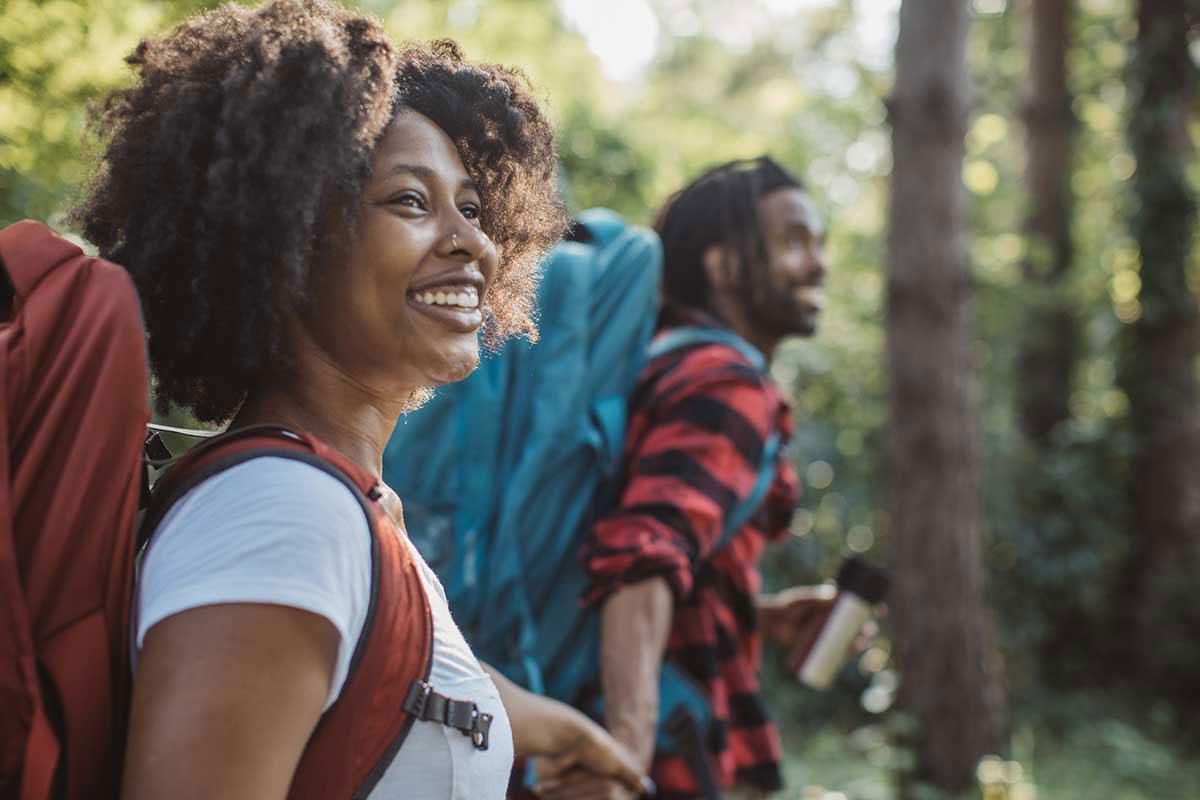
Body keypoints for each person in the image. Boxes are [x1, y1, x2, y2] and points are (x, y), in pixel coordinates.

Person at [68, 2, 645, 797]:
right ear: (287, 239)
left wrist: (558, 733)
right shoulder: (285, 515)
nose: (473, 242)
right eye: (411, 201)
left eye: (473, 209)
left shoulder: (352, 507)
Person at [538, 157, 837, 800]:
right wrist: (625, 759)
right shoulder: (728, 383)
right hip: (657, 746)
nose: (818, 263)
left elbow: (639, 549)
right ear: (723, 266)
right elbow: (641, 557)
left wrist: (753, 615)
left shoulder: (654, 361)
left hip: (567, 713)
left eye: (819, 242)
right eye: (793, 242)